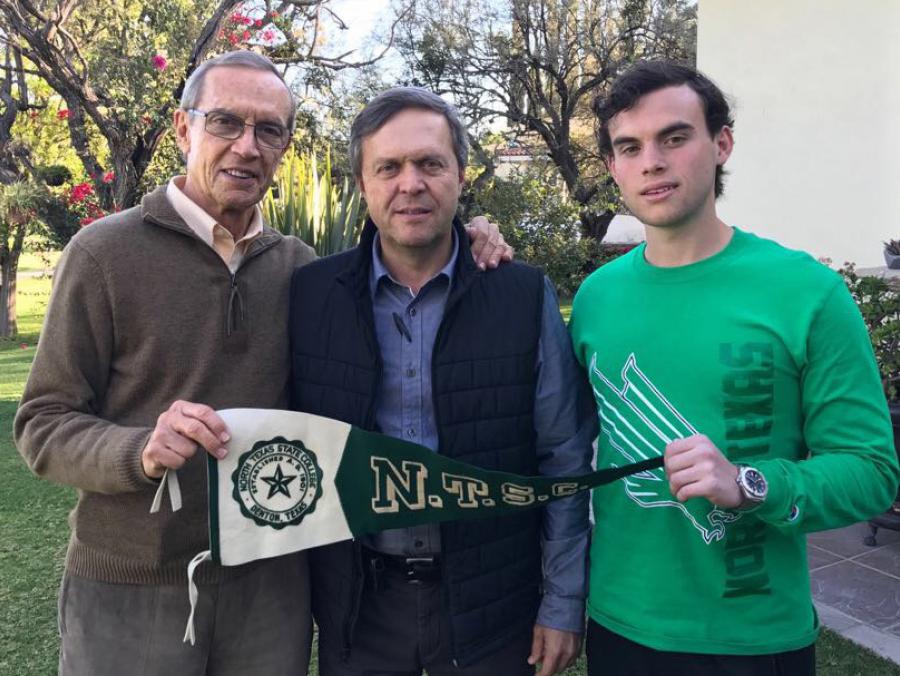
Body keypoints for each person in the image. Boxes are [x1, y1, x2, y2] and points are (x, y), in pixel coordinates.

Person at [14, 51, 509, 676]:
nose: (247, 147)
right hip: (134, 584)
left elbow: (405, 251)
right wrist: (138, 451)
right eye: (226, 122)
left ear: (283, 147)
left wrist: (470, 237)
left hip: (272, 587)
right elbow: (43, 422)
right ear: (182, 128)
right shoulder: (103, 254)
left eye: (268, 130)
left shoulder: (304, 270)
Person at [569, 59, 900, 676]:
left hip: (754, 641)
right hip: (619, 627)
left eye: (674, 137)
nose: (652, 162)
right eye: (629, 147)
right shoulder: (595, 299)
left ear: (721, 143)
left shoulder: (807, 293)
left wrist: (751, 484)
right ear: (614, 167)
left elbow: (872, 471)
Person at [288, 87, 596, 675]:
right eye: (389, 167)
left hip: (493, 604)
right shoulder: (309, 296)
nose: (411, 183)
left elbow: (564, 459)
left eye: (431, 163)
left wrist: (562, 603)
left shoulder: (521, 295)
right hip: (359, 605)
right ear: (361, 183)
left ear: (460, 175)